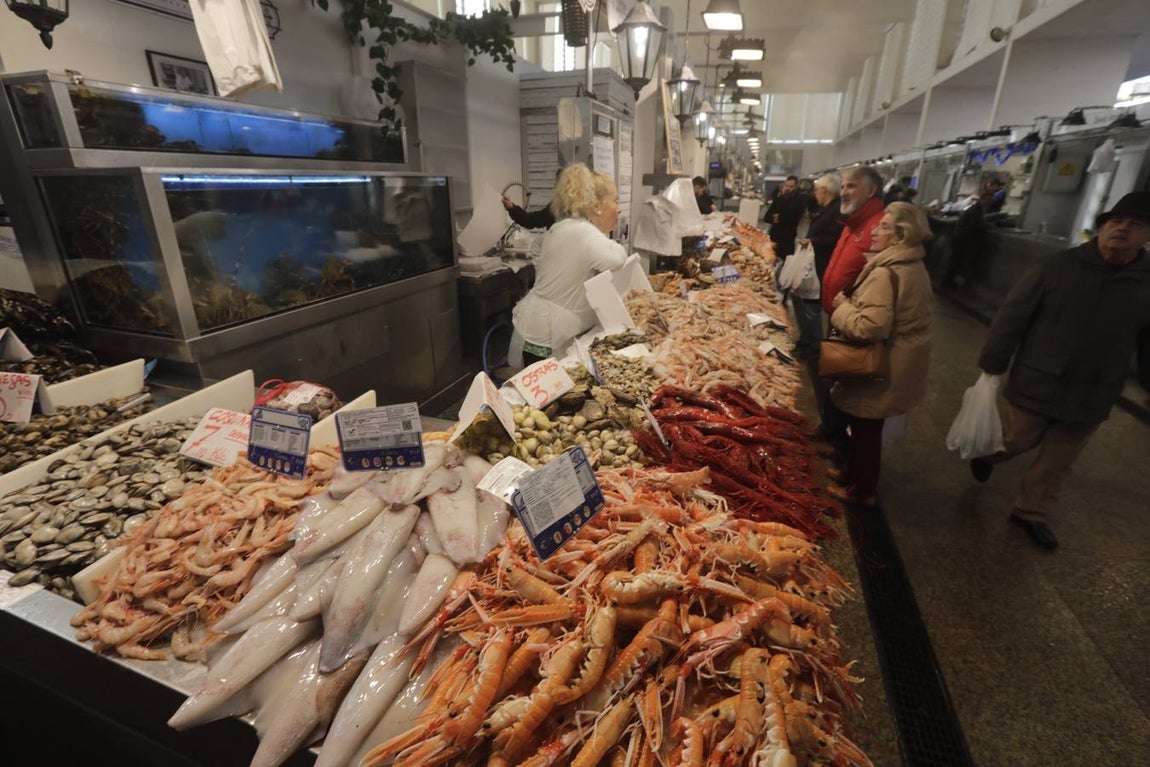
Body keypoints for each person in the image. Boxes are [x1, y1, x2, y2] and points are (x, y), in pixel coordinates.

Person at [969, 191, 1150, 550]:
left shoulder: (1146, 282)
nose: (1122, 230)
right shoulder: (1057, 266)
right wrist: (994, 362)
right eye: (1116, 222)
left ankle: (1030, 512)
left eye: (1136, 226)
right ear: (1101, 227)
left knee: (1059, 459)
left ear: (1147, 236)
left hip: (1095, 389)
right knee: (1015, 438)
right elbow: (1013, 316)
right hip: (1039, 377)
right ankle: (988, 454)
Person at [825, 202, 934, 505]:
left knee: (866, 428)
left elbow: (869, 327)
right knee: (864, 425)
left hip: (884, 361)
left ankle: (862, 490)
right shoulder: (912, 265)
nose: (875, 231)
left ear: (900, 236)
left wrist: (841, 306)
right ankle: (851, 472)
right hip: (899, 357)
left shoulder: (886, 272)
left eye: (884, 227)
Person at [510, 163, 626, 366]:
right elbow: (618, 257)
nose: (619, 208)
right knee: (545, 391)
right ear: (596, 205)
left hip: (541, 323)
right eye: (615, 201)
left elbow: (538, 247)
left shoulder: (562, 226)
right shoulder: (583, 232)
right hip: (547, 333)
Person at [809, 166, 887, 455]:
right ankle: (830, 432)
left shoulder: (878, 226)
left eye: (852, 186)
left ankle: (841, 448)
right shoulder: (852, 222)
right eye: (844, 186)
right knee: (835, 378)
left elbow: (880, 286)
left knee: (852, 388)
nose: (845, 191)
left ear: (871, 190)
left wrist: (848, 309)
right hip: (839, 316)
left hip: (856, 321)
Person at [792, 174, 844, 361]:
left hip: (821, 265)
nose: (815, 194)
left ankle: (814, 347)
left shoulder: (837, 210)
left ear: (825, 191)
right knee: (803, 301)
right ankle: (807, 340)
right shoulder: (827, 209)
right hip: (813, 264)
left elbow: (836, 240)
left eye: (817, 190)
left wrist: (813, 241)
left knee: (811, 306)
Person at [941, 192, 992, 290]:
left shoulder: (978, 209)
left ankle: (948, 282)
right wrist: (988, 225)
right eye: (988, 199)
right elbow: (978, 225)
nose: (989, 201)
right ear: (981, 199)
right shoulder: (975, 210)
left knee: (956, 262)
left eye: (990, 199)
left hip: (962, 238)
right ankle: (947, 283)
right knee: (955, 262)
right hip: (961, 239)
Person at [763, 175, 806, 259]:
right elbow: (767, 217)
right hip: (774, 238)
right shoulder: (779, 199)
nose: (788, 188)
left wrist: (777, 217)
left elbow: (790, 217)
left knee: (784, 265)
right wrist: (778, 218)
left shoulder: (799, 201)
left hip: (787, 241)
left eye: (791, 186)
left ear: (796, 187)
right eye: (786, 186)